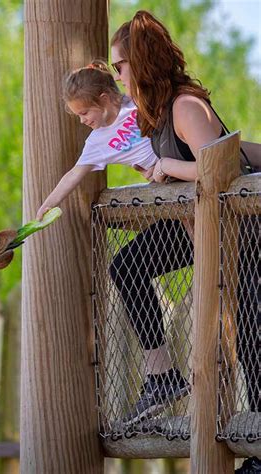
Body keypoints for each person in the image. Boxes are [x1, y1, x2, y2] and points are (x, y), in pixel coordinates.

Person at [109, 10, 260, 425]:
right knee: (128, 266)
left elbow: (221, 171)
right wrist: (156, 175)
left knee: (252, 340)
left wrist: (168, 168)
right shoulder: (159, 115)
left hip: (243, 236)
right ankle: (162, 376)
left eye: (120, 66)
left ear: (139, 64)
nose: (118, 76)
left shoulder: (186, 106)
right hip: (200, 230)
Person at [36, 59, 158, 221]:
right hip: (161, 178)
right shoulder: (97, 142)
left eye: (84, 113)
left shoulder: (134, 102)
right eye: (78, 115)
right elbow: (74, 174)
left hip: (178, 157)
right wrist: (49, 204)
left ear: (104, 99)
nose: (82, 120)